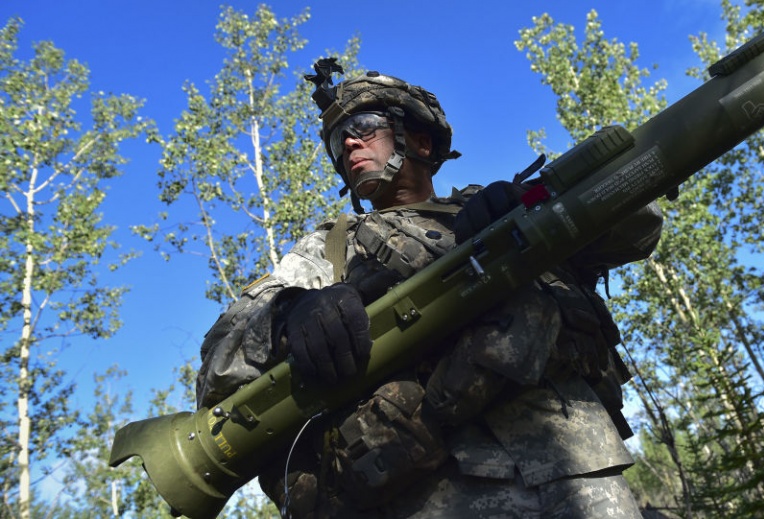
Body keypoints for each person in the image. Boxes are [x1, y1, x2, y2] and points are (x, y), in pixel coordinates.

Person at [196, 57, 663, 518]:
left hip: (584, 476)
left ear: (417, 139)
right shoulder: (332, 247)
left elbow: (640, 224)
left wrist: (540, 207)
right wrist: (289, 313)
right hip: (438, 493)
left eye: (363, 125)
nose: (349, 143)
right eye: (339, 139)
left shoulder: (497, 207)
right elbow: (220, 361)